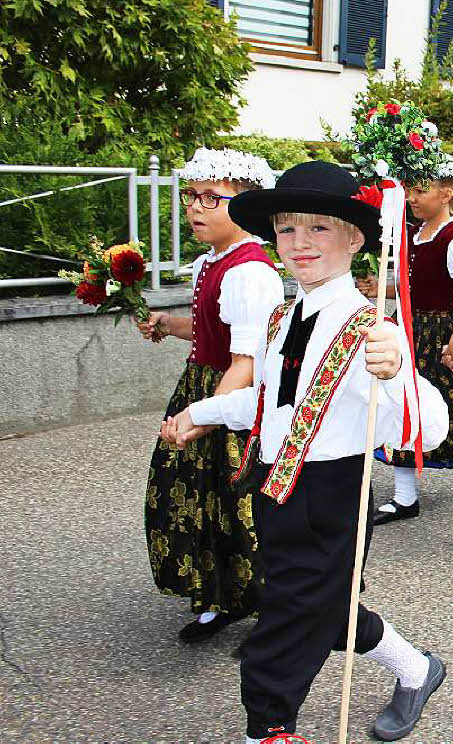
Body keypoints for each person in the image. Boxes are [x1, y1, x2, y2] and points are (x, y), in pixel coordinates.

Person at [162, 161, 451, 742]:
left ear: (355, 238)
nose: (300, 243)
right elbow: (269, 404)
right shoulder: (281, 318)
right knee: (326, 611)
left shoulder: (370, 329)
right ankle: (417, 669)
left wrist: (398, 373)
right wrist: (202, 413)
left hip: (332, 498)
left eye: (320, 229)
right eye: (288, 229)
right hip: (275, 489)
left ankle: (268, 729)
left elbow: (431, 428)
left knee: (281, 637)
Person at [137, 147, 283, 644]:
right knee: (202, 499)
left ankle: (271, 609)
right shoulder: (213, 261)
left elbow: (245, 360)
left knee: (238, 501)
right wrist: (167, 324)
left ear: (244, 207)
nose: (196, 207)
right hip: (203, 382)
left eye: (211, 198)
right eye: (191, 196)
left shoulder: (251, 272)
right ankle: (222, 595)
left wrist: (206, 415)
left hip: (233, 396)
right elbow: (209, 330)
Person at [357, 154, 453, 525]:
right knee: (400, 404)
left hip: (439, 333)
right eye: (410, 189)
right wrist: (381, 288)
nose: (412, 197)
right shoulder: (412, 234)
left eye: (420, 190)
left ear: (447, 194)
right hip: (406, 330)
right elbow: (410, 287)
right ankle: (406, 497)